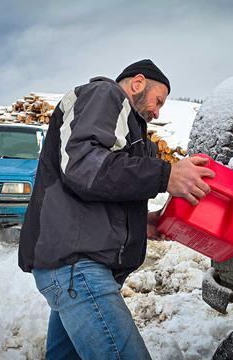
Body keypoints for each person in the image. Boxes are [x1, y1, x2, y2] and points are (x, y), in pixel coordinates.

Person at [18, 59, 215, 359]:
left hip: (72, 267)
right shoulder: (105, 95)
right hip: (77, 267)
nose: (157, 111)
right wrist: (166, 175)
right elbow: (83, 166)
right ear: (137, 83)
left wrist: (140, 221)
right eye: (158, 100)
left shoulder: (125, 121)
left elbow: (101, 184)